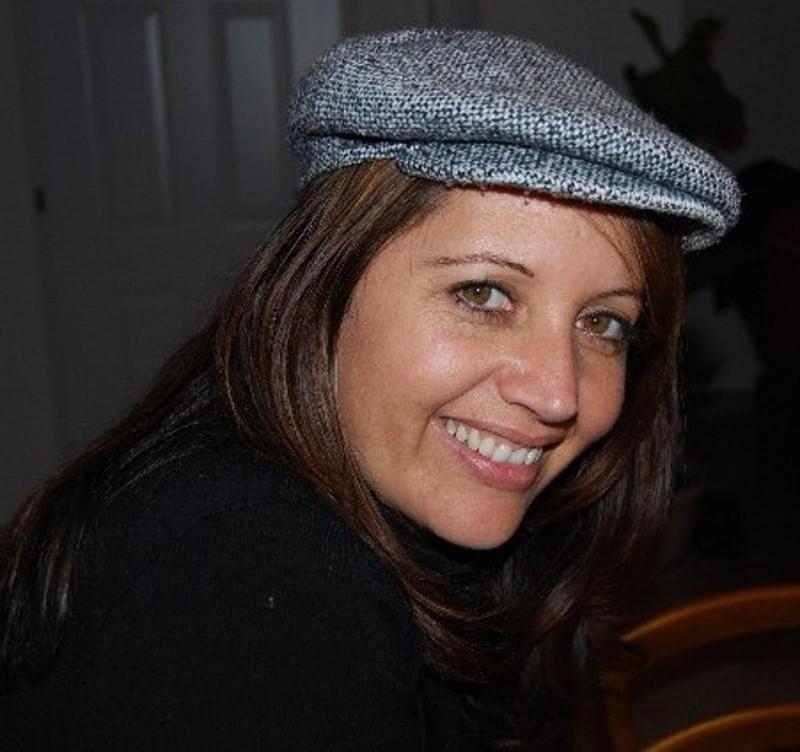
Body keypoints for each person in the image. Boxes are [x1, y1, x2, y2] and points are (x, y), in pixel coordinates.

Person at [0, 29, 739, 750]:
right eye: (482, 293)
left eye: (603, 323)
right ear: (317, 288)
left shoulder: (408, 520)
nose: (557, 394)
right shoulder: (250, 575)